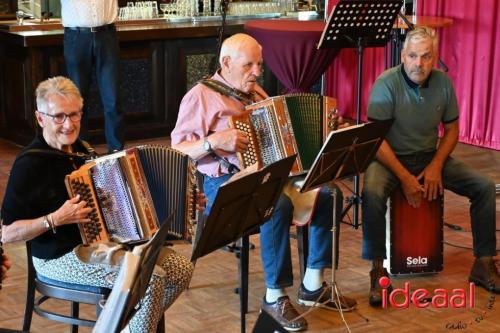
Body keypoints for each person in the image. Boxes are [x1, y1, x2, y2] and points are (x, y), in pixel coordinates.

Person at [171, 33, 356, 331]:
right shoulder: (200, 96)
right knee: (276, 203)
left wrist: (325, 129)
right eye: (249, 65)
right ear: (226, 62)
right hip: (223, 183)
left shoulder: (257, 93)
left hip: (268, 176)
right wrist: (213, 141)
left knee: (329, 195)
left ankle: (312, 284)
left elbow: (284, 138)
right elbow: (176, 150)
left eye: (259, 64)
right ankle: (275, 295)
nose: (257, 72)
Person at [1, 76, 193, 333]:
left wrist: (182, 199)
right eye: (59, 116)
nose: (68, 124)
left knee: (181, 269)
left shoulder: (85, 151)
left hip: (103, 244)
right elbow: (8, 232)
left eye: (74, 115)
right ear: (40, 118)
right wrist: (54, 219)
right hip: (59, 257)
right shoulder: (30, 164)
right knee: (150, 279)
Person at [361, 26, 499, 306]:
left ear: (434, 58)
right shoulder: (386, 83)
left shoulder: (442, 83)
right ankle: (378, 271)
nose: (418, 64)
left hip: (427, 156)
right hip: (389, 158)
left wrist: (436, 164)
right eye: (413, 56)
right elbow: (374, 139)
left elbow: (451, 129)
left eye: (425, 57)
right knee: (372, 193)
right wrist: (403, 176)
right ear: (402, 55)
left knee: (484, 187)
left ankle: (483, 264)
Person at [61, 0, 124, 152]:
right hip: (77, 36)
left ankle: (116, 151)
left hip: (107, 35)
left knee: (113, 99)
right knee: (78, 101)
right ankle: (80, 151)